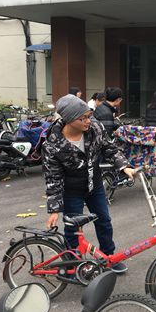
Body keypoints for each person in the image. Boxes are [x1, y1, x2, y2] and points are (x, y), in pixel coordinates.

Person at [42, 94, 135, 273]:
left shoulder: (95, 129)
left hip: (95, 185)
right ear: (69, 119)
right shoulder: (53, 145)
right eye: (82, 118)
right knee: (72, 229)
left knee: (104, 222)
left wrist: (125, 167)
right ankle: (73, 264)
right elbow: (53, 177)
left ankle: (108, 258)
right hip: (71, 191)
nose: (88, 121)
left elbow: (110, 149)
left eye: (89, 116)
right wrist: (54, 209)